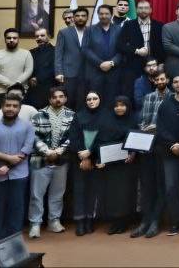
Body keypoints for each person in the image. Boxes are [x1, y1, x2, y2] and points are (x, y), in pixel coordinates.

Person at [21, 86, 74, 239]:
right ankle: (35, 224)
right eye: (55, 97)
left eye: (61, 96)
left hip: (61, 160)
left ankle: (54, 221)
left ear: (65, 98)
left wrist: (59, 152)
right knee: (36, 195)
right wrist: (47, 151)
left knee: (57, 194)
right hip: (40, 160)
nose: (58, 99)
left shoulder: (72, 115)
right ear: (50, 99)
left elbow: (73, 136)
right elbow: (33, 136)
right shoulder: (38, 115)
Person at [0, 95, 36, 241]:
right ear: (2, 107)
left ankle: (14, 240)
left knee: (16, 208)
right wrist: (9, 159)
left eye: (14, 106)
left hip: (19, 175)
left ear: (19, 108)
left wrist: (8, 165)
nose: (11, 109)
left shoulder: (28, 127)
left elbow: (27, 149)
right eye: (8, 105)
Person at [154, 75, 179, 236]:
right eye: (175, 82)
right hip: (169, 152)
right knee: (171, 187)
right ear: (172, 84)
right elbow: (160, 128)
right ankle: (176, 221)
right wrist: (172, 145)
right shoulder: (165, 104)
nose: (178, 84)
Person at [132, 74, 169, 239]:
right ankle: (145, 221)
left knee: (161, 186)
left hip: (164, 146)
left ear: (167, 80)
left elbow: (172, 123)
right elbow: (142, 120)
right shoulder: (148, 97)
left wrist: (157, 128)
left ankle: (155, 221)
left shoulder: (172, 97)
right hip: (147, 146)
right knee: (147, 186)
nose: (160, 81)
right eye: (157, 80)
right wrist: (145, 129)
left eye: (162, 79)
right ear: (153, 81)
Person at [97, 97, 140, 234]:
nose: (119, 108)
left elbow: (137, 140)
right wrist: (101, 158)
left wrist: (133, 154)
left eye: (122, 105)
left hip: (127, 165)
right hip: (112, 165)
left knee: (125, 193)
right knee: (112, 194)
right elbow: (101, 140)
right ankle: (115, 221)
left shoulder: (133, 120)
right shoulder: (107, 121)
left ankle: (124, 221)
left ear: (128, 107)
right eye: (116, 105)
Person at [68, 92, 106, 236]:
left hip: (97, 160)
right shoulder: (78, 116)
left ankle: (90, 220)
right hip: (80, 160)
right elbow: (74, 137)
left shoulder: (106, 117)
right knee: (79, 191)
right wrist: (83, 157)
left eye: (95, 98)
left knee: (93, 191)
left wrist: (92, 154)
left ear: (100, 100)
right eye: (88, 99)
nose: (91, 101)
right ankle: (80, 221)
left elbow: (105, 137)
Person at [117, 0, 162, 102]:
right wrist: (136, 51)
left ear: (150, 10)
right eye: (140, 8)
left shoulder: (159, 26)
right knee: (131, 94)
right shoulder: (128, 25)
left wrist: (160, 63)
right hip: (133, 65)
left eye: (146, 8)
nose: (143, 10)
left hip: (154, 66)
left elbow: (162, 47)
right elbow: (120, 45)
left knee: (154, 94)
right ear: (136, 10)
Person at [0, 28, 35, 110]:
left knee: (21, 114)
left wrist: (18, 82)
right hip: (1, 92)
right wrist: (11, 84)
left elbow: (29, 70)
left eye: (14, 38)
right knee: (3, 114)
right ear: (5, 39)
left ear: (18, 39)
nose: (11, 40)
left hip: (21, 91)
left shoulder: (26, 53)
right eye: (9, 38)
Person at [55, 7, 91, 109]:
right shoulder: (64, 32)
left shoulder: (91, 31)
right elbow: (58, 53)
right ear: (73, 18)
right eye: (77, 16)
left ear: (87, 18)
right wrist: (58, 72)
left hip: (87, 72)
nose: (80, 18)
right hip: (68, 73)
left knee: (84, 101)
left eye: (83, 16)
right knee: (69, 101)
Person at [85, 5, 123, 98]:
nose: (104, 16)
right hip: (95, 72)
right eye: (101, 14)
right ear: (98, 15)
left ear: (111, 15)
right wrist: (100, 63)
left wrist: (112, 63)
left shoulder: (119, 29)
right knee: (95, 99)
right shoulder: (89, 30)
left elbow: (122, 50)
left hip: (114, 72)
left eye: (106, 14)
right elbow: (85, 49)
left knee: (112, 100)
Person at [28, 28, 57, 108]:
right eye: (37, 36)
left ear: (49, 37)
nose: (39, 38)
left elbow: (55, 68)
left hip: (50, 88)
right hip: (34, 89)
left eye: (42, 35)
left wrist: (38, 78)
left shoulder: (56, 51)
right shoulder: (31, 52)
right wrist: (30, 79)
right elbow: (27, 68)